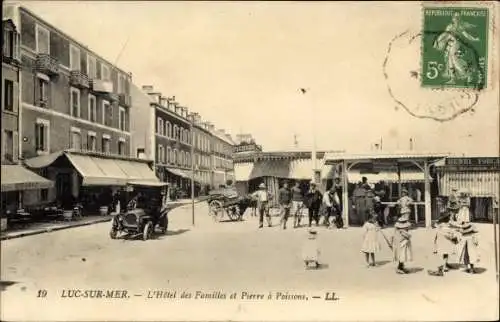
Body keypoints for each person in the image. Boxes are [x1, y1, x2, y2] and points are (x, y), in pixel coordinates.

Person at [428, 211, 459, 276]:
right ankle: (444, 267)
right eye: (450, 217)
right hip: (446, 242)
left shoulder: (441, 224)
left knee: (444, 253)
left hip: (441, 241)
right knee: (445, 253)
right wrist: (454, 238)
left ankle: (445, 264)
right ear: (447, 218)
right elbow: (448, 235)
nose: (451, 218)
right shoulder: (446, 227)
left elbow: (435, 226)